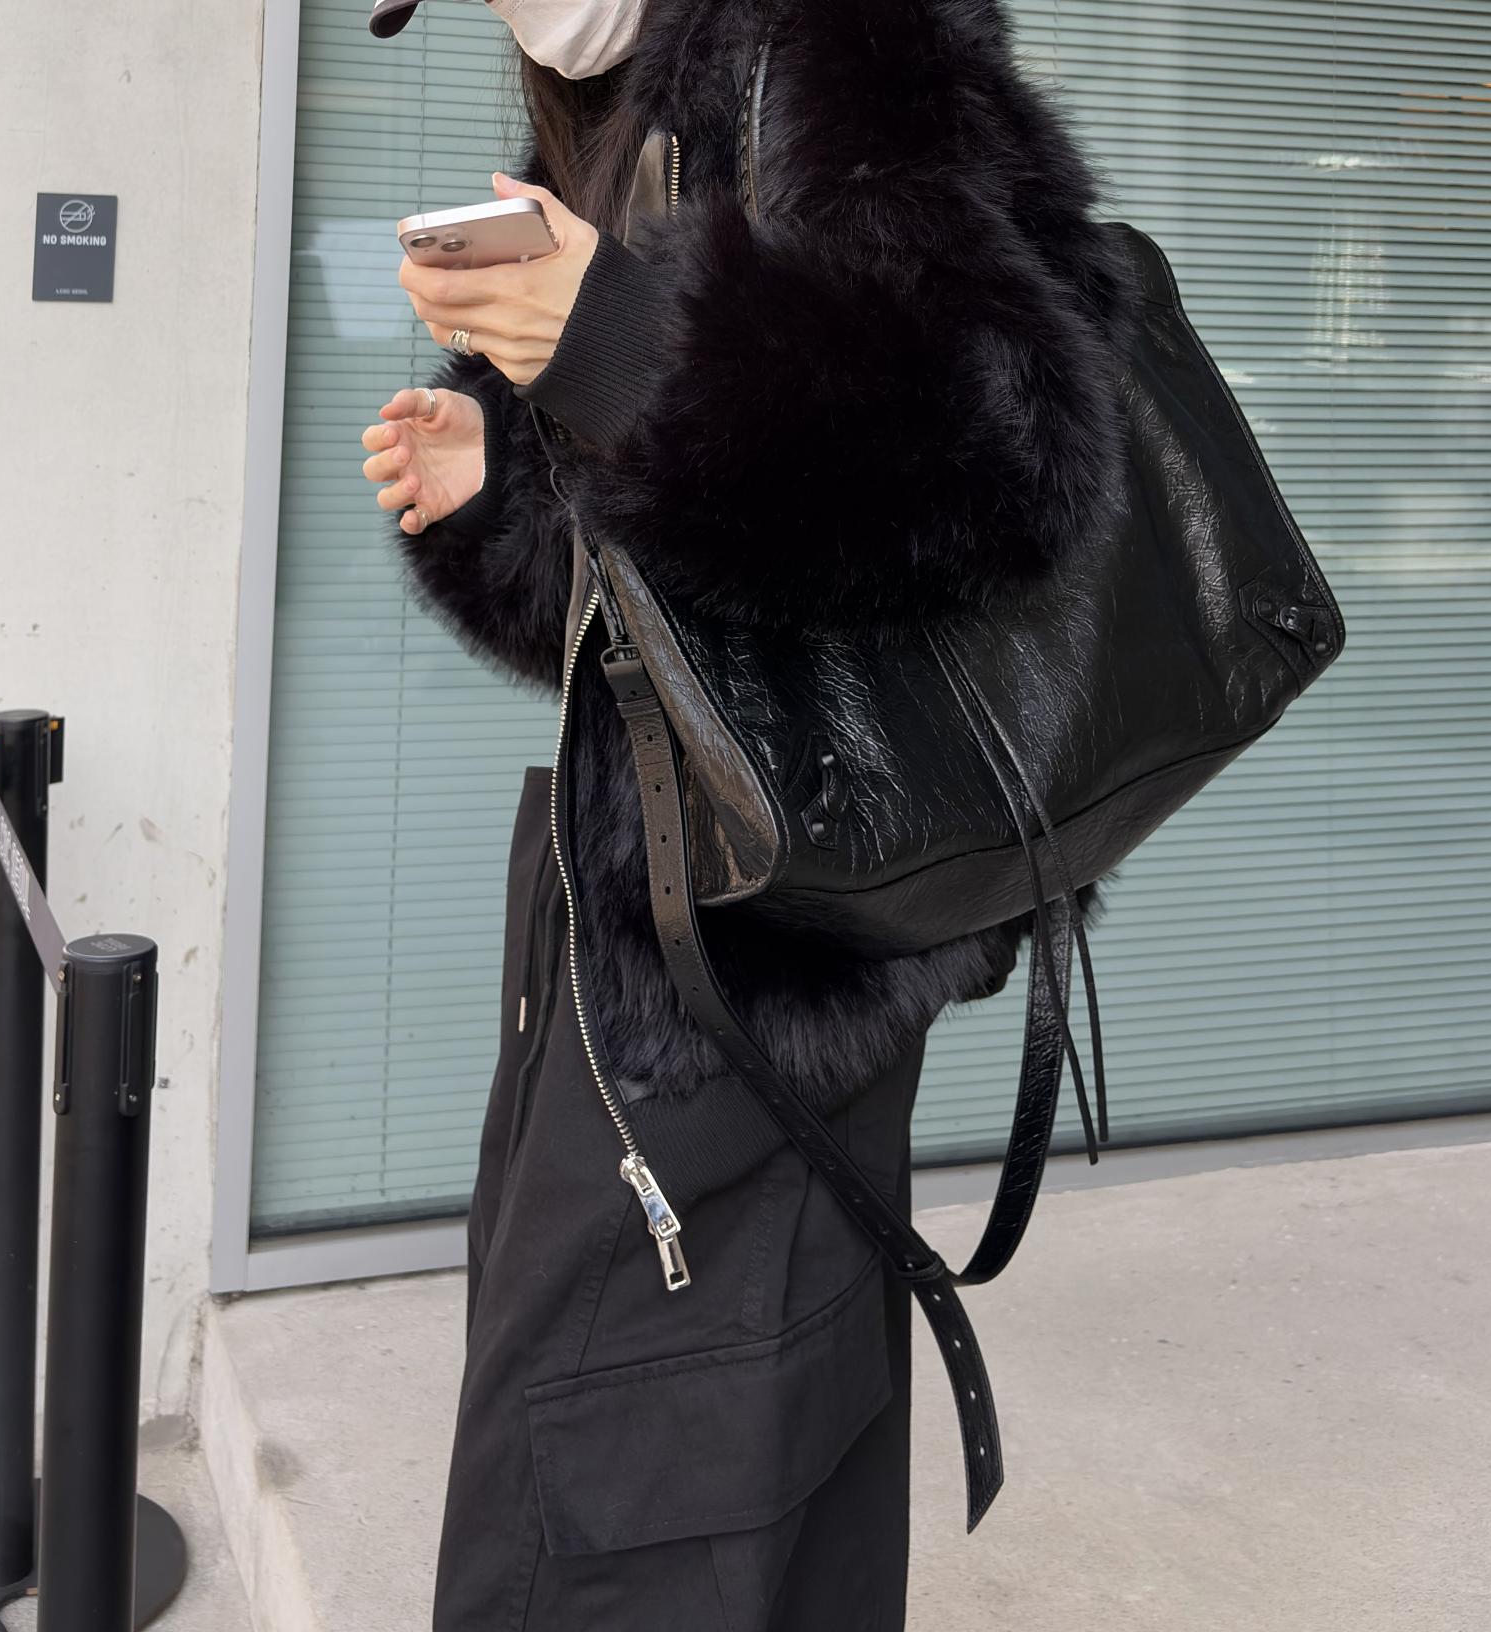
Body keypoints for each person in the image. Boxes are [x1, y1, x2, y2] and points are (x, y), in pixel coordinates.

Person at [358, 0, 1135, 1624]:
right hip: (652, 926)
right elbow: (703, 607)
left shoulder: (843, 31)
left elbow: (1009, 450)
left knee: (616, 1518)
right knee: (689, 1489)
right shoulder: (630, 105)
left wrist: (621, 346)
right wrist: (505, 488)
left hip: (760, 963)